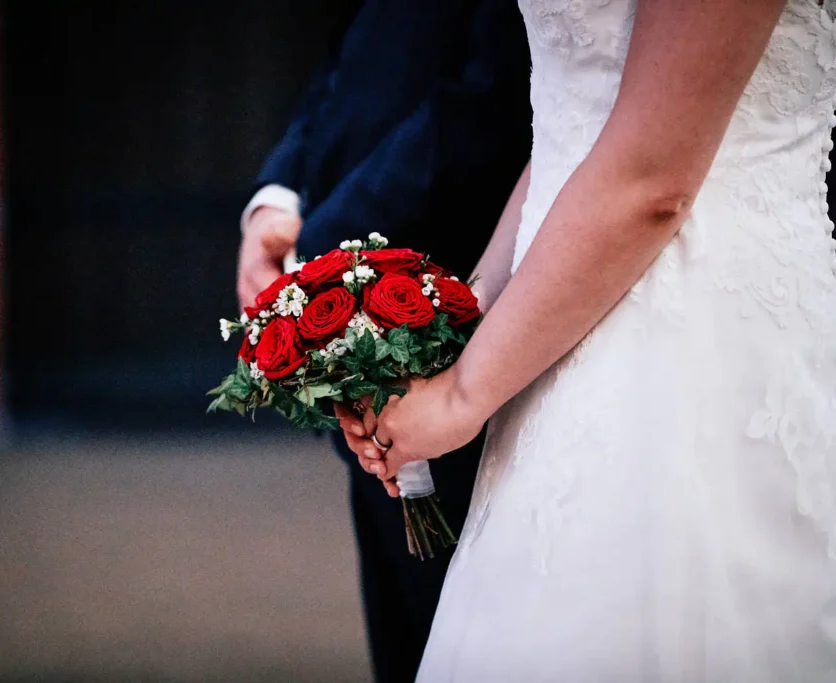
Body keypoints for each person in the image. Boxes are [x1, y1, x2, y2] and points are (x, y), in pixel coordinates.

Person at [341, 0, 836, 679]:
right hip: (554, 319)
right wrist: (462, 321)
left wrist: (462, 396)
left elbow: (652, 180)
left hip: (708, 341)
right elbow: (575, 123)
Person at [235, 1, 531, 680]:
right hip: (358, 315)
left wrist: (316, 251)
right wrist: (279, 197)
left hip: (460, 306)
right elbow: (350, 54)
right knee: (403, 627)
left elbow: (494, 96)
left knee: (463, 628)